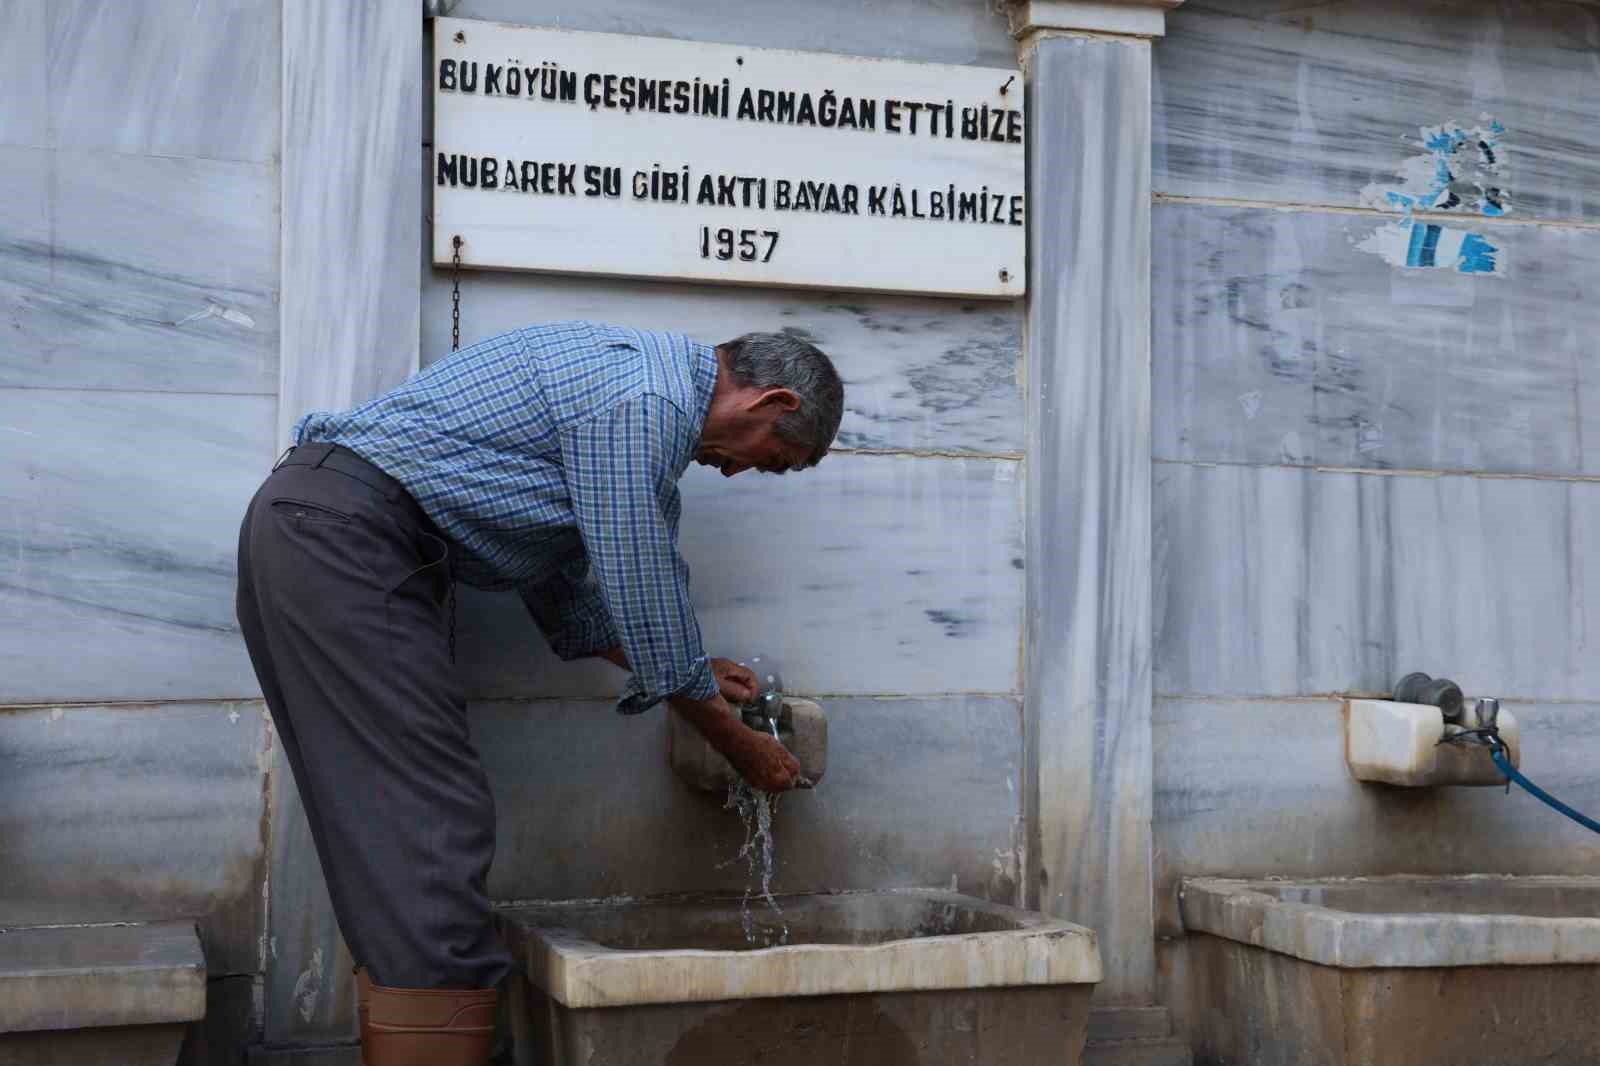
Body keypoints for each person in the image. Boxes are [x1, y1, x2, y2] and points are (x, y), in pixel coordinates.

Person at [235, 322, 844, 1065]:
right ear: (771, 401)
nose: (741, 473)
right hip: (347, 544)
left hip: (323, 530)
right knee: (430, 822)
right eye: (773, 461)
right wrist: (736, 738)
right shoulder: (643, 401)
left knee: (390, 832)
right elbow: (638, 576)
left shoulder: (628, 385)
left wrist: (694, 669)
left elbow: (568, 594)